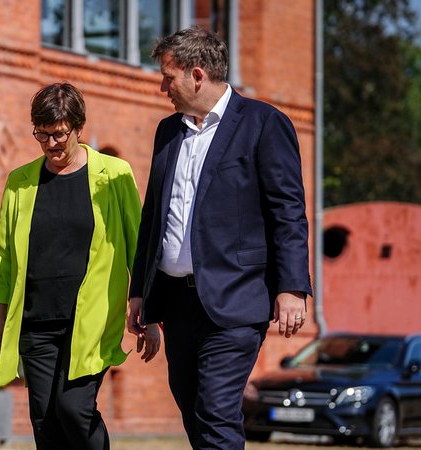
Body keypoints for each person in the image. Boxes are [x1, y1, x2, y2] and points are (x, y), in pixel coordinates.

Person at [128, 27, 313, 449]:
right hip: (176, 302)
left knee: (215, 410)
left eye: (167, 78)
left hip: (235, 299)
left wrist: (291, 287)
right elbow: (153, 216)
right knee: (193, 409)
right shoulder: (167, 132)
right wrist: (140, 290)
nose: (162, 88)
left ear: (197, 74)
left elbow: (288, 212)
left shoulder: (264, 124)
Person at [0, 82, 141, 450]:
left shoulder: (115, 174)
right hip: (35, 323)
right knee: (45, 421)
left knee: (73, 408)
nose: (51, 144)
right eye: (41, 135)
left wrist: (148, 309)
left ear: (78, 127)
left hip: (90, 321)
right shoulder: (20, 182)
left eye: (58, 134)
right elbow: (4, 256)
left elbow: (140, 245)